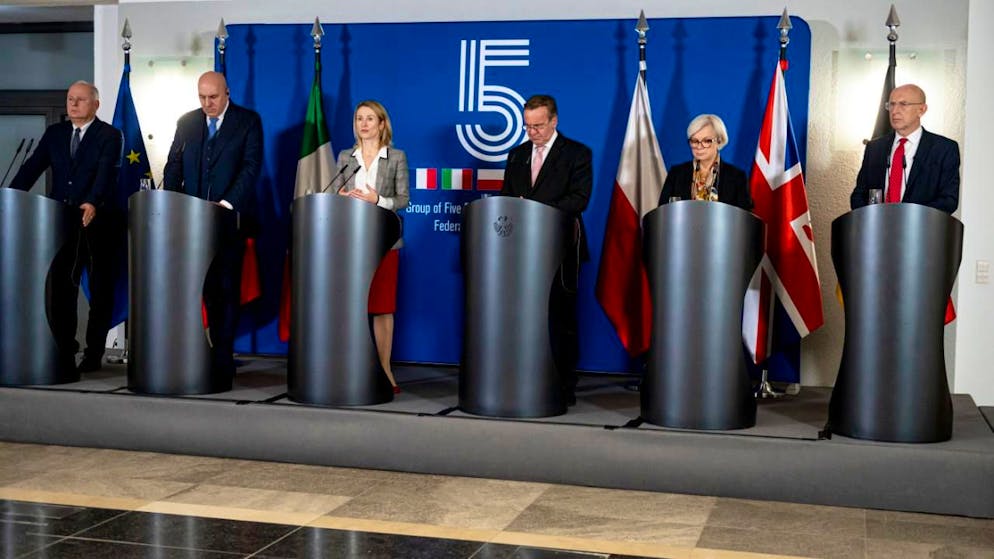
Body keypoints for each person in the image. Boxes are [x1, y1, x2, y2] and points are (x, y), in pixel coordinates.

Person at [7, 80, 123, 374]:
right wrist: (9, 197)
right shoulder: (55, 134)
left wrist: (93, 202)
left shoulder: (109, 135)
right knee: (61, 290)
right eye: (70, 99)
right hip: (60, 224)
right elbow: (31, 168)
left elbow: (105, 172)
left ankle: (94, 352)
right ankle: (63, 348)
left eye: (80, 100)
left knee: (100, 291)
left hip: (98, 223)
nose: (73, 104)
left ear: (95, 104)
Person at [163, 71, 263, 386]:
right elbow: (173, 165)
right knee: (195, 292)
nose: (207, 103)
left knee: (224, 293)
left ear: (227, 92)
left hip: (227, 223)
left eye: (213, 97)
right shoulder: (187, 123)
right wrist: (175, 202)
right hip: (190, 223)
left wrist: (226, 204)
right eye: (202, 97)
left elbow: (250, 167)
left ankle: (222, 360)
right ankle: (194, 356)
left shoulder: (247, 121)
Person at [500, 94, 593, 406]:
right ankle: (522, 380)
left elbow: (579, 199)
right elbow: (507, 199)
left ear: (554, 121)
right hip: (521, 253)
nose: (532, 132)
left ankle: (563, 385)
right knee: (522, 318)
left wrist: (536, 210)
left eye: (538, 125)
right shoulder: (516, 155)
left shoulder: (577, 154)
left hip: (561, 250)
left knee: (560, 320)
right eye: (527, 126)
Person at [335, 100, 410, 394]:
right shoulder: (345, 156)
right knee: (351, 308)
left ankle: (385, 370)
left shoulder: (396, 157)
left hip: (385, 242)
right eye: (359, 119)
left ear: (382, 124)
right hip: (350, 243)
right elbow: (337, 191)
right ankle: (351, 368)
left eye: (370, 119)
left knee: (381, 308)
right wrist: (341, 197)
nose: (363, 124)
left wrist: (377, 200)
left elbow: (404, 199)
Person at [851, 83, 960, 214]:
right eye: (891, 104)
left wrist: (909, 218)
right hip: (877, 229)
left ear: (922, 110)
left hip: (921, 230)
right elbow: (859, 195)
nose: (895, 111)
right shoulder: (875, 148)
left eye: (903, 104)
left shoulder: (944, 149)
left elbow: (948, 200)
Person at [658, 114, 752, 210]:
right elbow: (662, 212)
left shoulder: (737, 177)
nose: (699, 146)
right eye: (694, 141)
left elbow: (745, 218)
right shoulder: (676, 174)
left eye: (706, 141)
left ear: (719, 141)